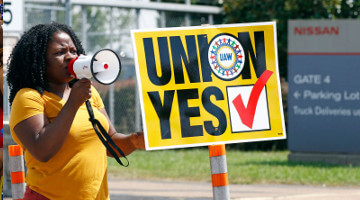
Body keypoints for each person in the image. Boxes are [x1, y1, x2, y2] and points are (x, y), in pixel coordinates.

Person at [7, 22, 145, 200]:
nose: (70, 57)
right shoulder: (28, 98)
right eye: (60, 52)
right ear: (39, 60)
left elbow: (109, 142)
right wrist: (73, 103)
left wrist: (133, 141)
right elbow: (42, 150)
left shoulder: (89, 93)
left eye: (73, 51)